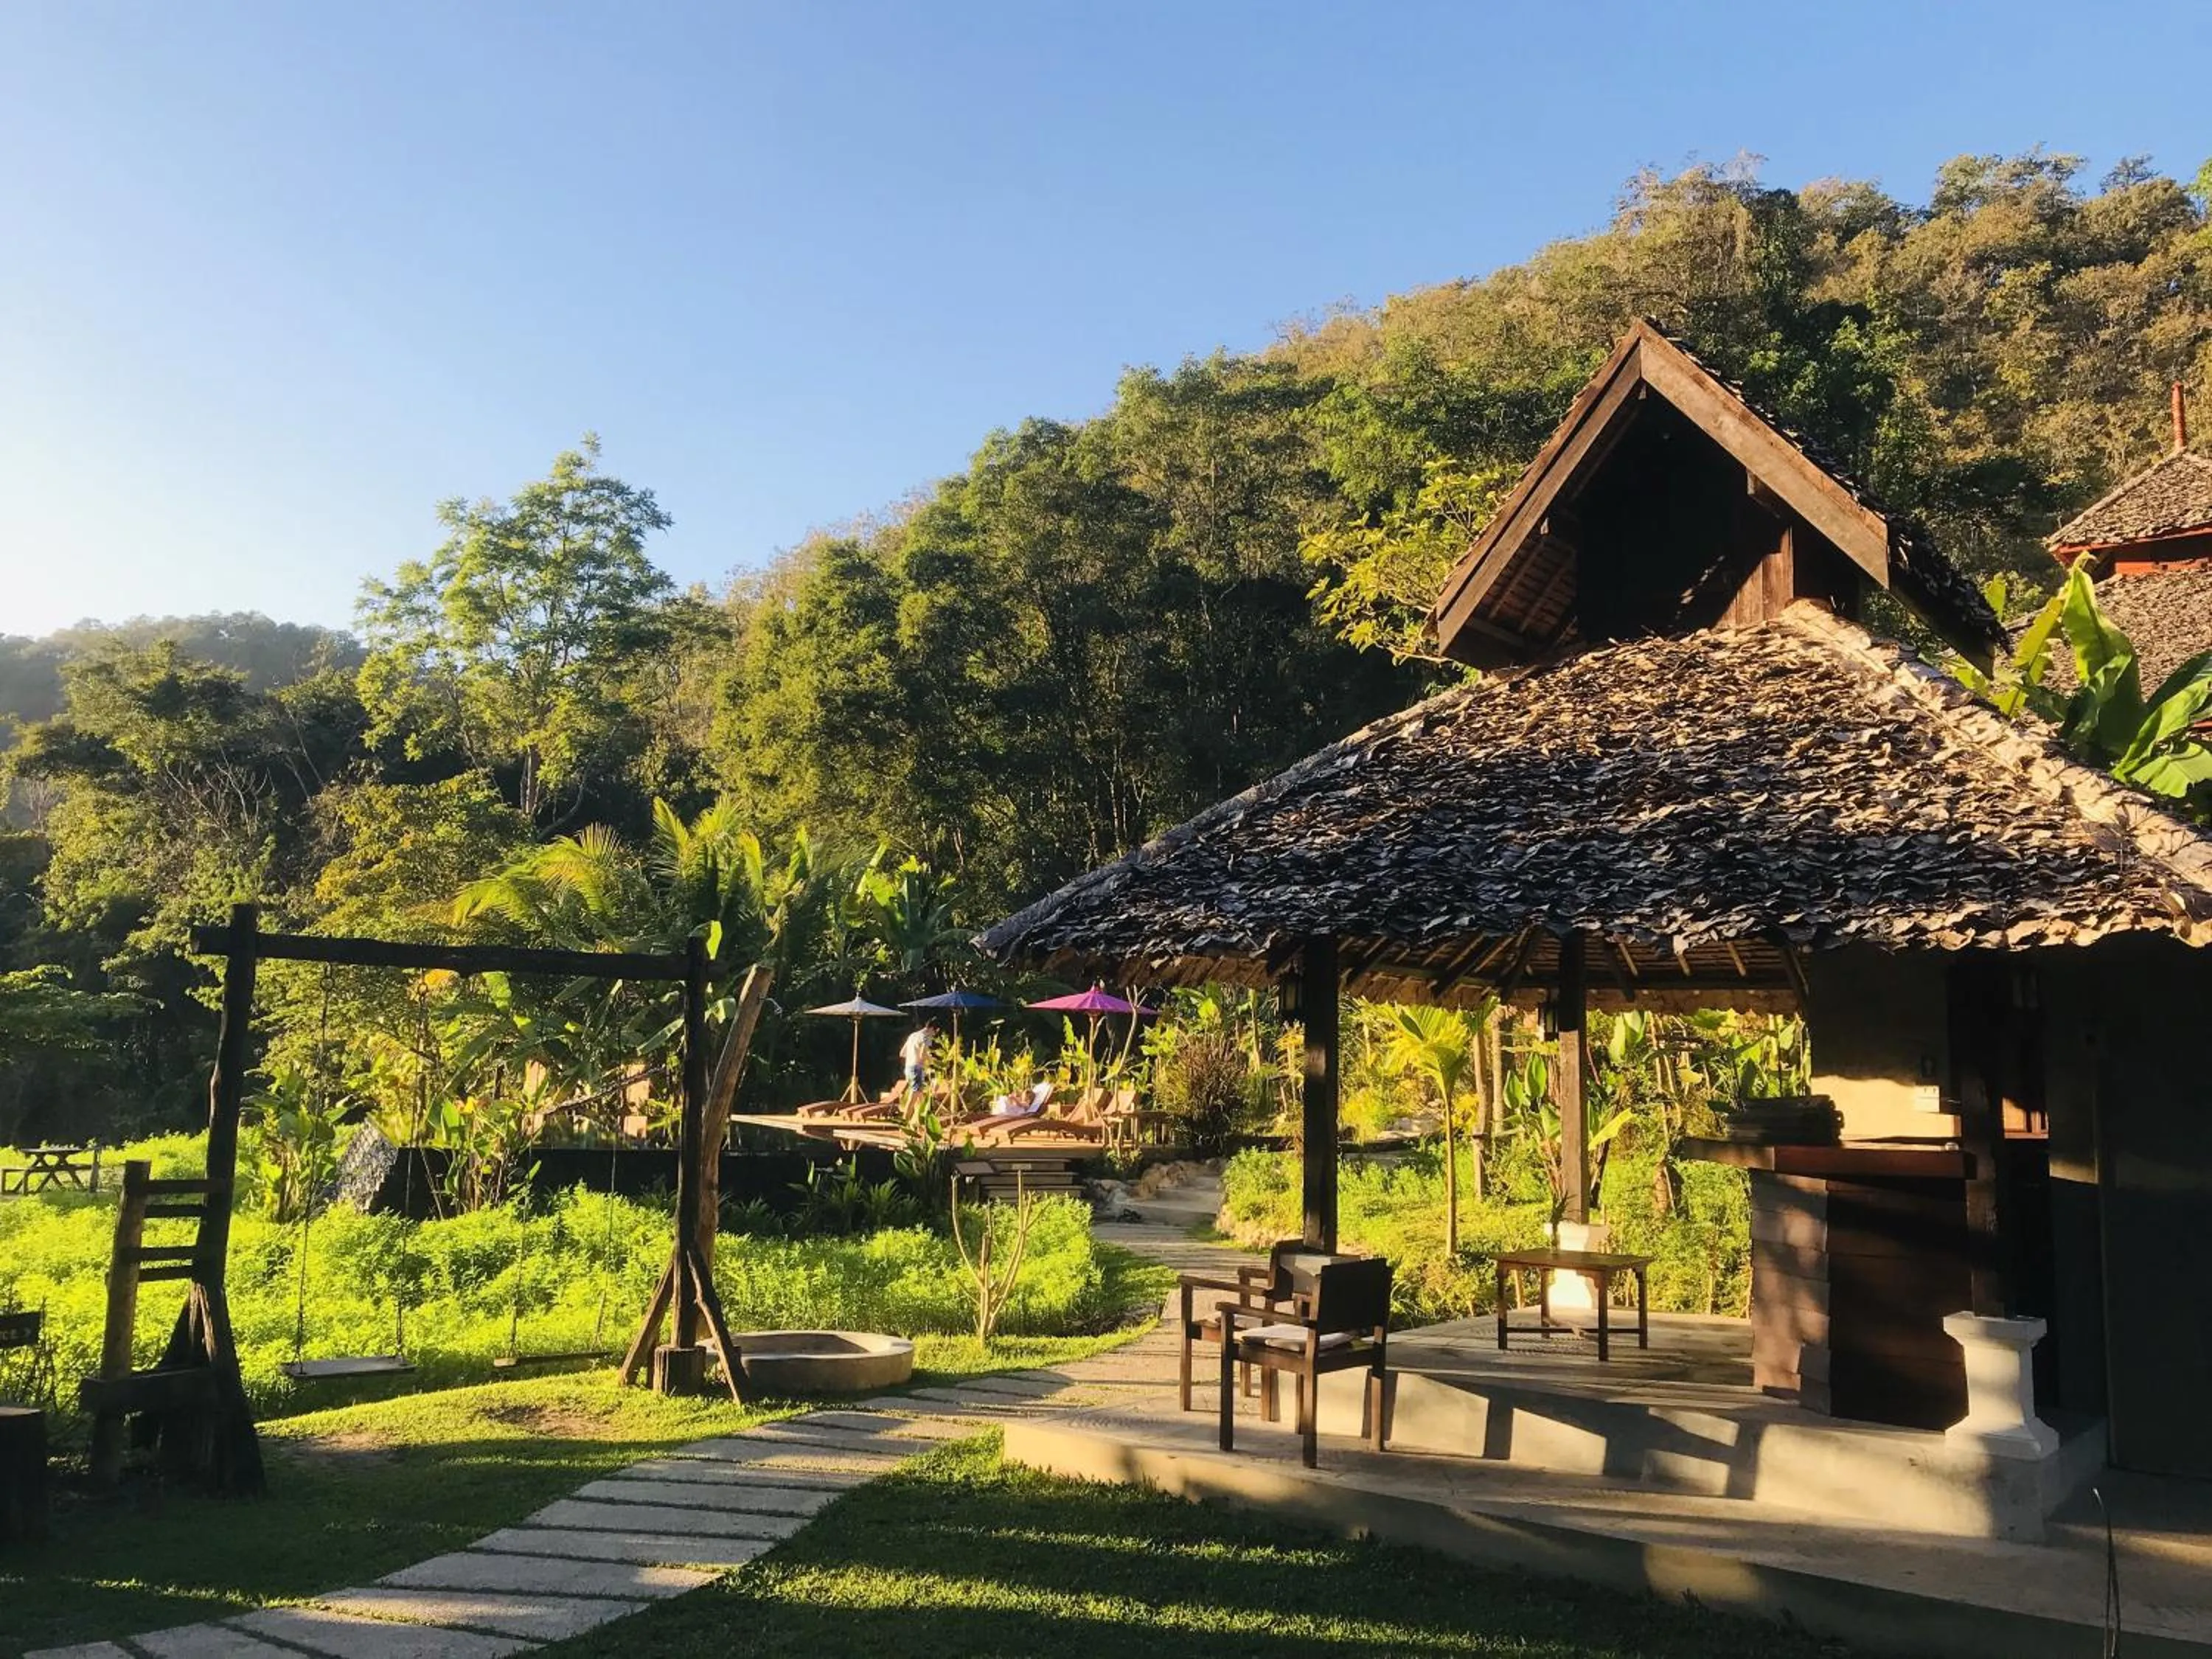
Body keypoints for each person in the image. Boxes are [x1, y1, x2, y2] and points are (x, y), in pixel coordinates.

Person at [900, 1021, 936, 1099]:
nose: (934, 1035)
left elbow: (902, 1053)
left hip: (908, 1068)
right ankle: (907, 1111)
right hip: (917, 1069)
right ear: (932, 1029)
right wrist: (932, 1061)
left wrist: (914, 1055)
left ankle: (918, 1111)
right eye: (935, 1033)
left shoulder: (912, 1035)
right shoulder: (926, 1037)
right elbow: (922, 1055)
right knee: (914, 1096)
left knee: (919, 1097)